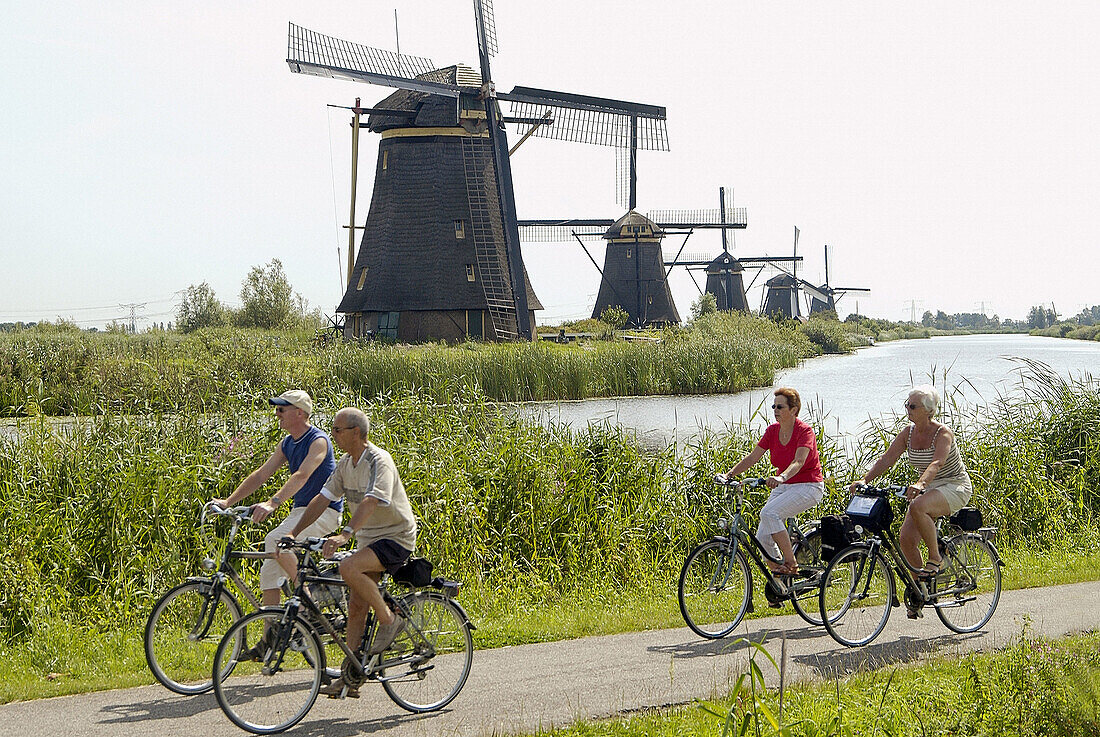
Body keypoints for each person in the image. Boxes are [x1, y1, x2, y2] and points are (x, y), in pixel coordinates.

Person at [286, 406, 418, 699]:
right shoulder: (346, 464)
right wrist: (293, 533)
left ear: (356, 433)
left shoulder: (378, 460)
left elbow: (372, 500)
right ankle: (352, 676)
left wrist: (345, 534)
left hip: (395, 536)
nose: (333, 434)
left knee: (348, 569)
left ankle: (389, 620)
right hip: (370, 540)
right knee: (356, 607)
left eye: (337, 430)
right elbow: (323, 499)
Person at [211, 389, 341, 658]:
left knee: (275, 541)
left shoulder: (319, 441)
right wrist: (228, 502)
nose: (277, 413)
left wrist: (273, 503)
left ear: (299, 413)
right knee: (269, 569)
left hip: (323, 512)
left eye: (282, 409)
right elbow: (261, 474)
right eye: (277, 408)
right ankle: (270, 638)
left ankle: (308, 605)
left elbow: (303, 475)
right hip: (300, 513)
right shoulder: (287, 443)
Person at [850, 384, 973, 609]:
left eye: (912, 405)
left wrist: (920, 483)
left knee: (917, 506)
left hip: (954, 486)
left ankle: (935, 557)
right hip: (928, 489)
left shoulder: (942, 433)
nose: (908, 408)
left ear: (928, 410)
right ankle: (920, 591)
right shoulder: (908, 433)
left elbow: (937, 462)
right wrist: (864, 480)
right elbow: (887, 460)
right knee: (906, 540)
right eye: (906, 404)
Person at [720, 387, 825, 576]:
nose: (775, 410)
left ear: (793, 410)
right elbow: (752, 458)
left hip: (809, 486)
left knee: (769, 513)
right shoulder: (772, 431)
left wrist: (781, 477)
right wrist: (729, 475)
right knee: (763, 538)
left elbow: (799, 462)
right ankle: (781, 583)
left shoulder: (805, 431)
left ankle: (791, 563)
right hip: (785, 486)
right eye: (773, 406)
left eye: (780, 406)